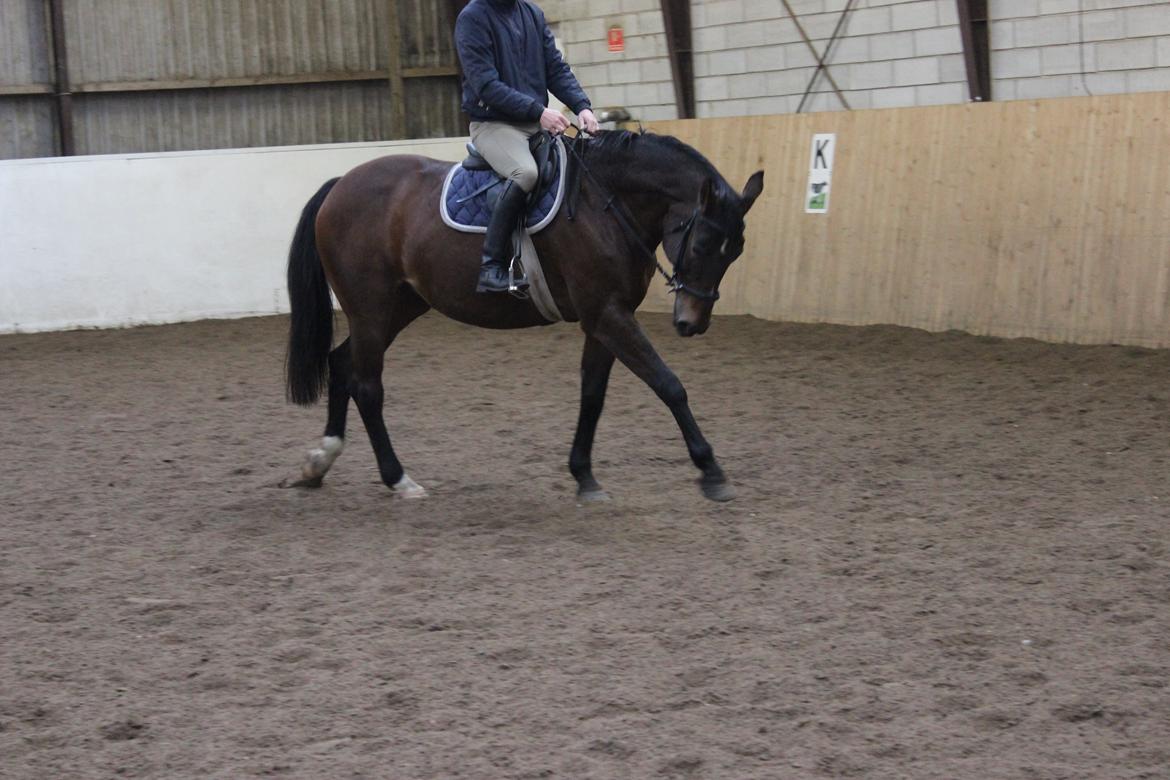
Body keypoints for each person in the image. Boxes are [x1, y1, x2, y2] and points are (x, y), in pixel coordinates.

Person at [455, 0, 601, 293]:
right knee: (525, 173)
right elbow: (485, 85)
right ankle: (491, 266)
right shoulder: (472, 18)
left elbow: (556, 68)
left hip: (535, 122)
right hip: (494, 124)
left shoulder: (532, 14)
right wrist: (539, 112)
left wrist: (582, 107)